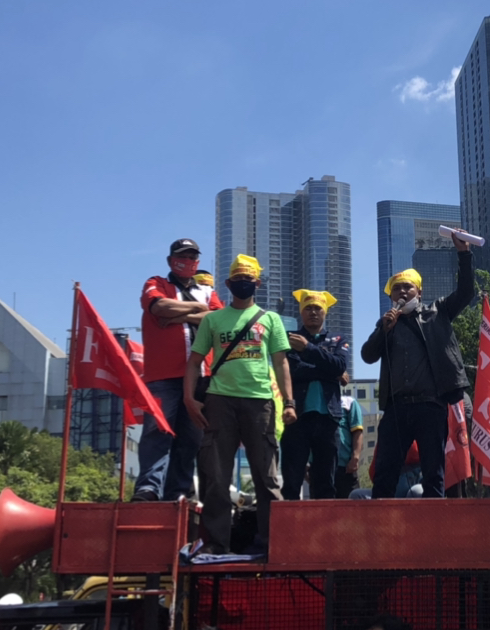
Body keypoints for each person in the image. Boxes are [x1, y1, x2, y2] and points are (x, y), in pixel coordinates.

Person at [185, 254, 294, 556]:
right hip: (220, 401)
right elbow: (194, 362)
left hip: (260, 402)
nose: (243, 285)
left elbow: (281, 363)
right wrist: (190, 399)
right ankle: (218, 544)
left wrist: (289, 402)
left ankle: (273, 544)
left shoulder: (269, 319)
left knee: (267, 477)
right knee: (217, 477)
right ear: (228, 284)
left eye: (249, 280)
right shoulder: (213, 319)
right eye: (238, 281)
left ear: (257, 284)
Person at [361, 233, 474, 499]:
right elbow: (367, 355)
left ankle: (435, 530)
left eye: (407, 287)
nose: (402, 292)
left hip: (430, 406)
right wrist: (383, 330)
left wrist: (464, 255)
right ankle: (381, 529)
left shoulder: (438, 312)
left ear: (419, 292)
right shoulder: (387, 323)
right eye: (396, 289)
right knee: (385, 471)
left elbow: (466, 292)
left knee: (434, 471)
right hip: (397, 408)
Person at [135, 238, 224, 502]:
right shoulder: (157, 283)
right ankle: (148, 488)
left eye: (192, 256)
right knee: (157, 432)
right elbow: (158, 306)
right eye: (181, 255)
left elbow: (217, 319)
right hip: (162, 375)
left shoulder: (207, 291)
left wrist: (179, 316)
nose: (186, 260)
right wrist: (197, 308)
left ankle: (178, 493)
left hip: (199, 377)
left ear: (198, 261)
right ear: (170, 260)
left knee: (191, 438)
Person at [281, 289, 351, 500]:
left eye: (318, 308)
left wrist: (308, 349)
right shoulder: (288, 339)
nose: (313, 312)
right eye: (308, 308)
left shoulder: (338, 339)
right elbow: (289, 370)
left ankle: (325, 532)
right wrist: (330, 372)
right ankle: (290, 531)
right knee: (292, 481)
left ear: (325, 312)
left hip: (328, 418)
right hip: (296, 417)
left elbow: (340, 365)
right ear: (301, 312)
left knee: (325, 483)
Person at [335, 382, 365, 498]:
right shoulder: (317, 404)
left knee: (351, 510)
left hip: (346, 468)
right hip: (321, 470)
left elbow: (357, 431)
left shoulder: (349, 402)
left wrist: (355, 457)